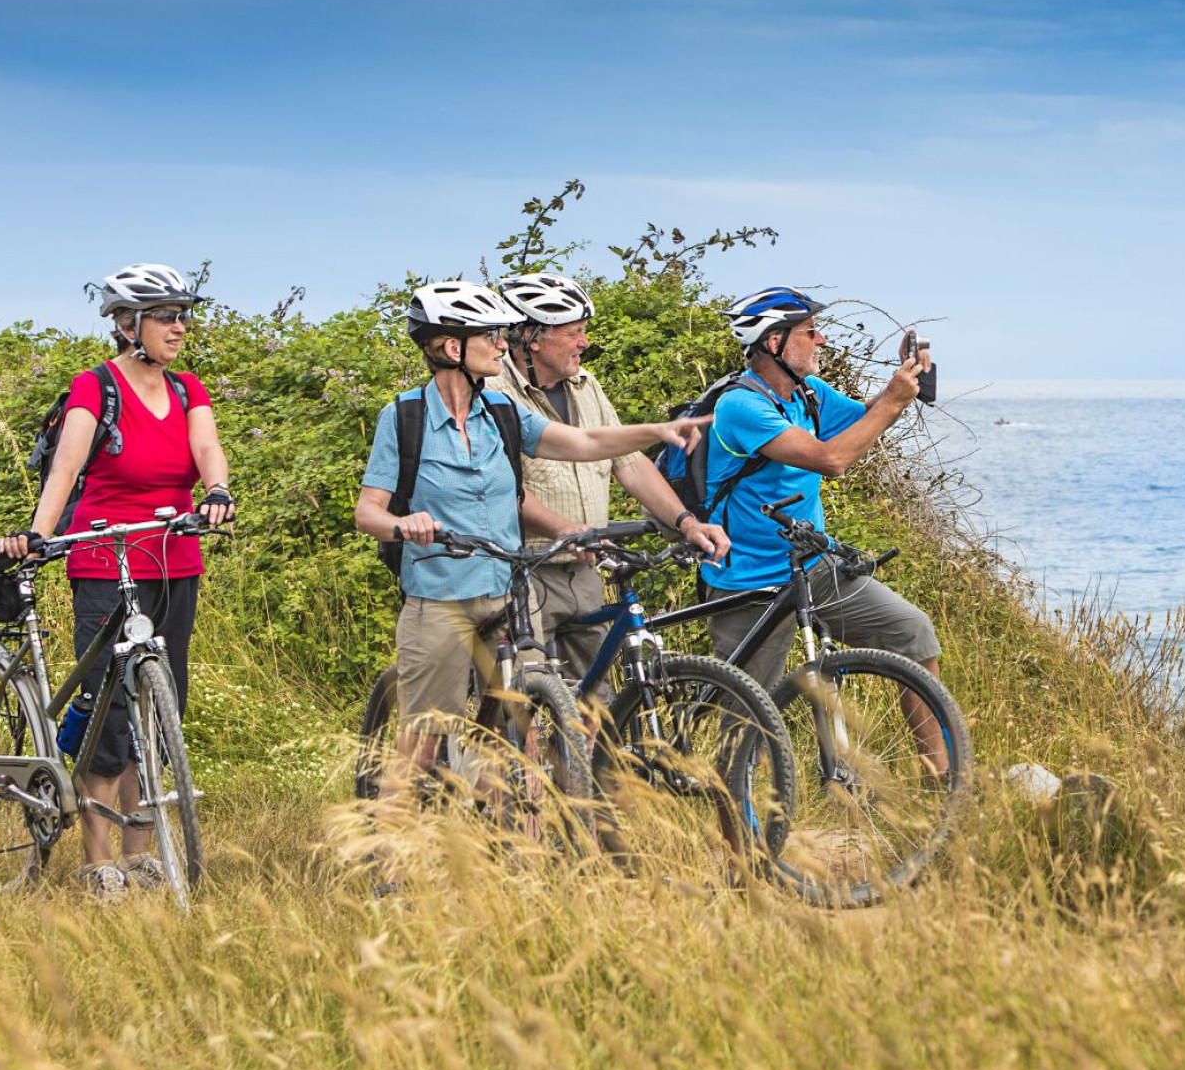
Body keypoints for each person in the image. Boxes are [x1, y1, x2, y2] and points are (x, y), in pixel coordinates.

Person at [351, 281, 706, 795]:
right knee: (425, 743)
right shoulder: (404, 418)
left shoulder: (501, 413)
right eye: (492, 335)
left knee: (525, 733)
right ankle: (392, 866)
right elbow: (369, 513)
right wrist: (404, 525)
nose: (503, 343)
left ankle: (527, 862)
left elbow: (584, 442)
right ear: (454, 348)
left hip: (506, 594)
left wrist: (656, 431)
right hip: (439, 599)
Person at [0, 262, 236, 901]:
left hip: (175, 559)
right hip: (106, 560)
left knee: (160, 707)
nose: (179, 327)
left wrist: (216, 489)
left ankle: (140, 854)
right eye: (166, 316)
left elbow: (208, 450)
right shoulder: (94, 389)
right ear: (128, 325)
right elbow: (65, 470)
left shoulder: (188, 391)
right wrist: (37, 536)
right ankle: (97, 858)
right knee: (108, 710)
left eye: (183, 315)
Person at [699, 287, 945, 758]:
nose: (822, 340)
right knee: (746, 716)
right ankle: (737, 819)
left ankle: (944, 785)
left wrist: (904, 384)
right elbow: (831, 459)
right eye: (810, 332)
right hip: (747, 581)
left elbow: (864, 422)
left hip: (811, 566)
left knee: (912, 634)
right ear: (773, 343)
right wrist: (893, 401)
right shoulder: (740, 406)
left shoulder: (809, 393)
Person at [491, 272, 730, 685]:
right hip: (522, 569)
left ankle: (577, 752)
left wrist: (686, 522)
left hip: (583, 569)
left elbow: (630, 464)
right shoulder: (494, 393)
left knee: (595, 703)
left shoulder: (587, 386)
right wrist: (566, 529)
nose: (585, 342)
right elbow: (501, 487)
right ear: (533, 337)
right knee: (523, 699)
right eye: (575, 333)